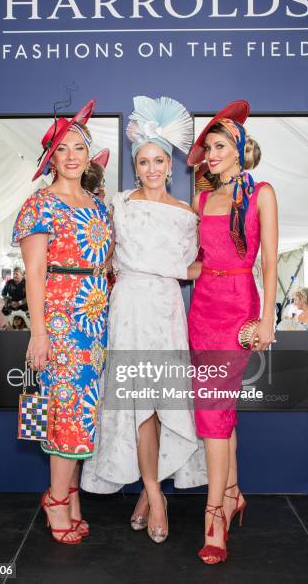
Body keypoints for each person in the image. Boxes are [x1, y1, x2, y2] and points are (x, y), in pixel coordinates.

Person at [82, 96, 206, 543]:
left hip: (167, 310)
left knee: (157, 404)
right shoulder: (117, 204)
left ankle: (150, 492)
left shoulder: (186, 215)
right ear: (136, 165)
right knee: (136, 406)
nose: (152, 168)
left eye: (159, 160)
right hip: (128, 308)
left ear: (171, 165)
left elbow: (193, 267)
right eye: (144, 161)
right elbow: (102, 255)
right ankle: (155, 494)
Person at [12, 99, 113, 544]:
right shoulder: (40, 204)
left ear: (88, 154)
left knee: (84, 409)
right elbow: (35, 272)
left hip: (95, 319)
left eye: (79, 147)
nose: (71, 155)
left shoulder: (96, 203)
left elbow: (107, 260)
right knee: (67, 409)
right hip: (59, 317)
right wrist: (38, 333)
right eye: (63, 149)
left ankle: (69, 493)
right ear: (51, 157)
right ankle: (56, 500)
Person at [187, 100, 278, 564]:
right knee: (220, 413)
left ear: (239, 148)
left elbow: (268, 262)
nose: (212, 154)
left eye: (220, 146)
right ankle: (235, 491)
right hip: (202, 305)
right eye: (208, 148)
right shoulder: (201, 198)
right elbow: (198, 260)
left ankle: (215, 515)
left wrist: (267, 320)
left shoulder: (262, 192)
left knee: (213, 411)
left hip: (240, 307)